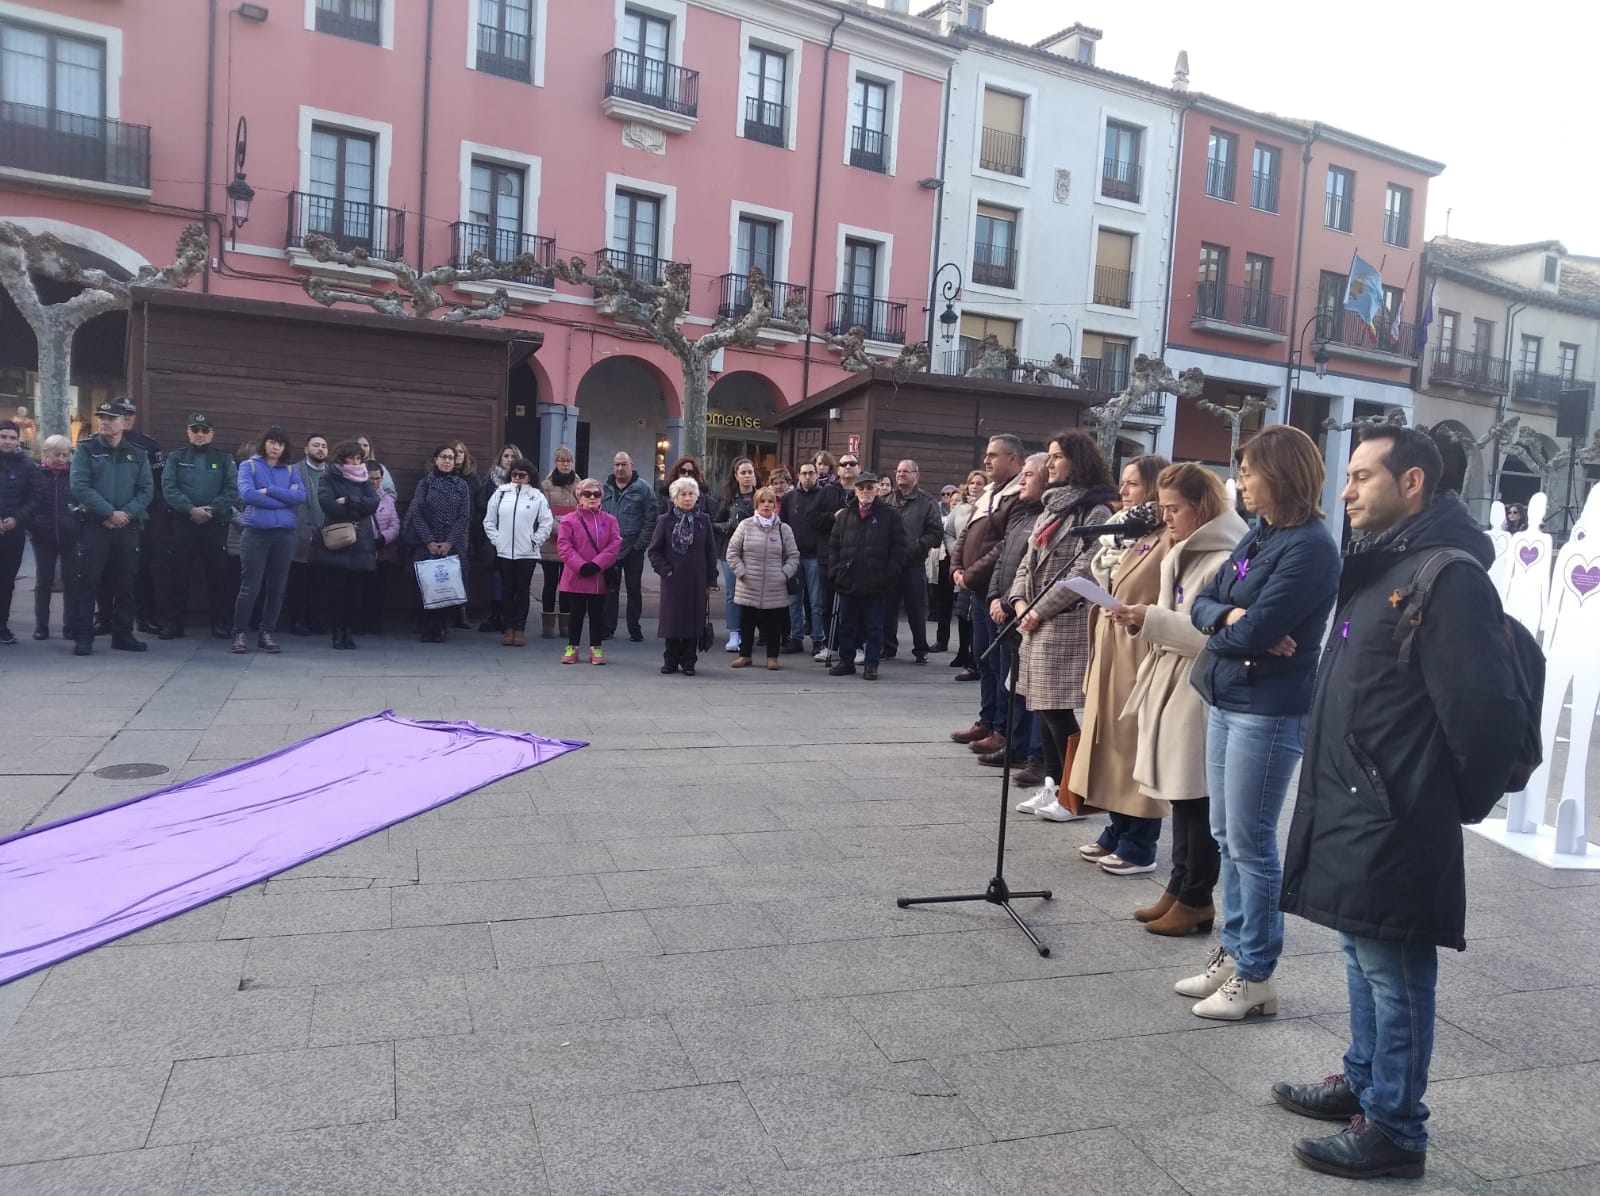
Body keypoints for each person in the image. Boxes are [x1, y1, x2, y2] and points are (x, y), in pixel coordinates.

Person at [1273, 427, 1524, 1180]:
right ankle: (1364, 1079)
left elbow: (1482, 714)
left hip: (1394, 808)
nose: (1343, 491)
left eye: (1360, 477)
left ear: (1412, 482)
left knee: (1395, 965)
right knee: (1361, 945)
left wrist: (1432, 799)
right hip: (1355, 797)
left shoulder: (1446, 576)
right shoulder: (1385, 563)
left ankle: (1395, 1127)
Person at [1181, 424, 1340, 1020]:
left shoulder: (1310, 548)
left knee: (1251, 842)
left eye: (1248, 470)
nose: (1239, 480)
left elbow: (1253, 630)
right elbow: (1198, 602)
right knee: (1228, 834)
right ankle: (1235, 950)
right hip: (1229, 695)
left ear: (1280, 473)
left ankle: (1256, 974)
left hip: (1268, 710)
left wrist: (1230, 623)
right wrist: (1229, 618)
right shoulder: (1260, 536)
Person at [1110, 463, 1246, 934]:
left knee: (1196, 796)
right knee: (1181, 794)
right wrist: (1143, 618)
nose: (1166, 517)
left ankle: (1196, 896)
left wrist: (1149, 619)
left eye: (1175, 508)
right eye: (1163, 508)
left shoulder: (1223, 553)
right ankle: (1179, 884)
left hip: (1198, 683)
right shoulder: (1184, 549)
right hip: (1174, 676)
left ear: (1202, 507)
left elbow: (1214, 634)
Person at [1006, 431, 1117, 824]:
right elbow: (1026, 562)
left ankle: (1073, 793)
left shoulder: (1096, 511)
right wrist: (1019, 602)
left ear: (1078, 461)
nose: (1050, 464)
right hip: (1034, 622)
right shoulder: (1051, 508)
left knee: (1056, 711)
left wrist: (1039, 609)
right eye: (1049, 457)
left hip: (1063, 623)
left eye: (1057, 457)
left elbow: (1085, 568)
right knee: (1040, 706)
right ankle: (1052, 785)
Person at [1069, 453, 1172, 868]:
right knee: (1109, 740)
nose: (1123, 493)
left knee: (1134, 743)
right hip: (1111, 643)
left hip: (1140, 647)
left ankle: (1141, 839)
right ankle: (1117, 825)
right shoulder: (1121, 537)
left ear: (1152, 487)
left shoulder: (1167, 537)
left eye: (1132, 484)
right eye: (1122, 483)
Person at [949, 436, 1025, 756]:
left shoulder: (1017, 495)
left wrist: (972, 574)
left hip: (996, 591)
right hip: (976, 589)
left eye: (994, 455)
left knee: (999, 661)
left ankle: (1001, 728)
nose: (986, 461)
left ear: (1014, 458)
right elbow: (965, 533)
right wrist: (956, 565)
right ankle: (987, 717)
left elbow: (1003, 547)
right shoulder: (990, 493)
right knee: (983, 656)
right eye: (986, 455)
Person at [69, 401, 154, 656]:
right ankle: (83, 636)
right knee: (89, 582)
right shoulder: (86, 449)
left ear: (124, 421)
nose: (105, 422)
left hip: (127, 526)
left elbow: (146, 489)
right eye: (102, 418)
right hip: (96, 525)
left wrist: (125, 514)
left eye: (111, 418)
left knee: (126, 581)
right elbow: (79, 486)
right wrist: (109, 512)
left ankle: (123, 634)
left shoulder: (138, 454)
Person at [985, 453, 1049, 790]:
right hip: (1006, 605)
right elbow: (1003, 559)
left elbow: (1031, 568)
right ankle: (1016, 743)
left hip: (1023, 613)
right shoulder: (1020, 515)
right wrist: (995, 595)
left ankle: (1035, 753)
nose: (1021, 481)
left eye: (1028, 475)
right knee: (1012, 685)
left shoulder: (1046, 517)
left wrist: (1013, 603)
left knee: (1032, 690)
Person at [160, 412, 237, 640]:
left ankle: (220, 624)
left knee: (218, 577)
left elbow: (231, 490)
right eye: (195, 430)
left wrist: (211, 509)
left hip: (215, 525)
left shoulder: (224, 458)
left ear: (212, 433)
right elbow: (169, 488)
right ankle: (174, 624)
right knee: (177, 575)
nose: (200, 434)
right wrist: (190, 509)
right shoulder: (176, 457)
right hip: (184, 524)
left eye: (205, 430)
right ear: (188, 432)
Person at [230, 426, 306, 654]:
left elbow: (300, 496)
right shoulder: (249, 465)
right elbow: (247, 494)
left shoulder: (291, 470)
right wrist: (284, 497)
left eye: (280, 444)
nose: (275, 447)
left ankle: (266, 632)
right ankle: (240, 632)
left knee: (277, 587)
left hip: (285, 534)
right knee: (250, 586)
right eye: (272, 442)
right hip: (256, 533)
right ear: (264, 443)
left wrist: (269, 490)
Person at [827, 472, 907, 681]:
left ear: (877, 490)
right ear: (855, 490)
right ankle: (846, 660)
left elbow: (899, 549)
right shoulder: (844, 516)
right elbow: (834, 545)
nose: (865, 492)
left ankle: (871, 664)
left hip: (876, 581)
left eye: (870, 488)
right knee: (847, 624)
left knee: (874, 627)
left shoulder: (890, 515)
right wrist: (835, 571)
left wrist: (889, 574)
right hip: (848, 578)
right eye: (861, 488)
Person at [310, 441, 380, 650]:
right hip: (339, 538)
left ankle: (349, 631)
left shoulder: (364, 478)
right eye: (351, 458)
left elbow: (373, 502)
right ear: (342, 458)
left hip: (361, 540)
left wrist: (348, 501)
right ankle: (337, 632)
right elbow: (328, 505)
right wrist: (358, 506)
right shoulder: (329, 476)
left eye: (359, 458)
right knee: (337, 591)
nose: (356, 462)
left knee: (354, 591)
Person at [648, 476, 717, 675]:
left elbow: (710, 551)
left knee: (693, 620)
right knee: (672, 620)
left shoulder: (703, 520)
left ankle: (689, 661)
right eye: (683, 495)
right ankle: (670, 659)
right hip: (673, 579)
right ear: (674, 498)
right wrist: (666, 570)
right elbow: (654, 551)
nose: (687, 498)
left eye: (691, 494)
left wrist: (711, 579)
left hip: (697, 579)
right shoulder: (665, 520)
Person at [403, 445, 472, 643]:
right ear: (435, 459)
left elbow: (464, 516)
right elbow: (416, 514)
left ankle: (442, 626)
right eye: (444, 457)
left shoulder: (461, 485)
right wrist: (430, 541)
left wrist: (449, 542)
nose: (448, 461)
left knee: (447, 584)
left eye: (451, 457)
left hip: (452, 543)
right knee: (425, 584)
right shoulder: (425, 484)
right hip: (427, 543)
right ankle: (427, 625)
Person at [726, 485, 800, 670]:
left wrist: (784, 574)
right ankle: (745, 655)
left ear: (775, 505)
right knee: (747, 622)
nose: (766, 505)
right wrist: (742, 572)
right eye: (762, 501)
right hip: (748, 584)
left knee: (774, 624)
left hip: (776, 586)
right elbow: (732, 552)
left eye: (770, 502)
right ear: (756, 504)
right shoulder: (745, 525)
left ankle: (772, 657)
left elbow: (793, 556)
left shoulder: (784, 529)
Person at [483, 457, 553, 647]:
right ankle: (508, 629)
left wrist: (535, 541)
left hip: (527, 553)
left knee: (522, 591)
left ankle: (520, 628)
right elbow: (489, 521)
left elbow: (547, 522)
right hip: (504, 552)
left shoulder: (537, 496)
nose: (517, 478)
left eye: (522, 475)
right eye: (514, 474)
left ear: (530, 477)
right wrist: (497, 541)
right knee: (506, 591)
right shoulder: (501, 493)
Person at [109, 397, 163, 635]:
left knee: (141, 570)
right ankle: (104, 617)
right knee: (104, 570)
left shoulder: (148, 445)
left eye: (131, 413)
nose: (128, 417)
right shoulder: (98, 443)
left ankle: (145, 617)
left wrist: (137, 512)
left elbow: (157, 485)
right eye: (123, 413)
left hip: (140, 519)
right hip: (106, 518)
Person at [882, 459, 942, 664]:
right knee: (887, 607)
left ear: (916, 475)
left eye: (906, 471)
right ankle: (888, 647)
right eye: (898, 471)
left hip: (914, 564)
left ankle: (920, 649)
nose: (901, 474)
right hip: (890, 564)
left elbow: (936, 533)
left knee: (916, 608)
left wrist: (917, 546)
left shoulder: (927, 501)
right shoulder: (886, 500)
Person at [556, 478, 620, 664]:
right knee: (575, 614)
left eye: (596, 494)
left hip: (598, 576)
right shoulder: (569, 520)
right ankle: (572, 647)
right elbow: (564, 546)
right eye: (587, 494)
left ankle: (596, 648)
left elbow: (615, 545)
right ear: (579, 496)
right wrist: (581, 565)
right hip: (576, 575)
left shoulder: (610, 520)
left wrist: (597, 564)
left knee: (597, 614)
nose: (592, 497)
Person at [601, 450, 656, 642]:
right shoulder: (604, 488)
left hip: (633, 548)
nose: (620, 468)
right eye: (616, 464)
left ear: (631, 465)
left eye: (624, 464)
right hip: (609, 549)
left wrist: (640, 545)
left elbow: (651, 519)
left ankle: (634, 628)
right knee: (610, 589)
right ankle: (608, 628)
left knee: (634, 590)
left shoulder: (644, 489)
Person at [29, 434, 78, 640]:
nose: (61, 459)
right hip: (43, 536)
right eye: (56, 454)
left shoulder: (75, 475)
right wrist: (34, 526)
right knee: (44, 581)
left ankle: (70, 625)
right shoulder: (36, 475)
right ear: (45, 453)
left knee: (72, 581)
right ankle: (41, 626)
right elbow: (29, 502)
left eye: (65, 455)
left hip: (71, 536)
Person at [780, 459, 831, 655]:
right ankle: (796, 637)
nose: (808, 477)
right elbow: (783, 526)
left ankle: (818, 639)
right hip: (793, 556)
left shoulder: (824, 496)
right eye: (804, 473)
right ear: (798, 476)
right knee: (794, 600)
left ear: (816, 475)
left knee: (816, 601)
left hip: (815, 556)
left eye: (811, 473)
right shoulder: (790, 498)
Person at [476, 444, 525, 633]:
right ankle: (496, 614)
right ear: (500, 459)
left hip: (517, 537)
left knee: (513, 578)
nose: (509, 459)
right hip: (495, 536)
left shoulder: (525, 482)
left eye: (513, 456)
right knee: (497, 577)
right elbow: (480, 505)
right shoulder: (490, 481)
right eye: (506, 455)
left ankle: (511, 617)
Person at [713, 457, 759, 652]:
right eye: (743, 473)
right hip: (731, 551)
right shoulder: (728, 499)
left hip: (755, 551)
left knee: (752, 594)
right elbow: (715, 523)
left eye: (750, 472)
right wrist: (731, 526)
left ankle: (751, 632)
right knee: (733, 594)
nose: (747, 476)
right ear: (736, 476)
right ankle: (734, 632)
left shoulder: (761, 496)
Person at [287, 433, 329, 635]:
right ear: (306, 449)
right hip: (300, 533)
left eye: (323, 446)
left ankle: (318, 620)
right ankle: (297, 621)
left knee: (321, 580)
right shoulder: (293, 471)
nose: (320, 449)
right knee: (298, 580)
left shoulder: (332, 473)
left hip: (326, 535)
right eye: (316, 445)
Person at [944, 470, 986, 673]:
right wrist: (957, 555)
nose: (975, 486)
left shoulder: (987, 507)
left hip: (979, 566)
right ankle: (962, 651)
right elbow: (950, 533)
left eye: (979, 483)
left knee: (975, 614)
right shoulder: (959, 509)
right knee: (962, 613)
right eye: (972, 483)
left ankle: (974, 655)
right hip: (961, 565)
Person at [0, 419, 35, 645]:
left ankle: (2, 625)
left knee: (6, 581)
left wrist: (16, 519)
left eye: (12, 437)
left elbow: (34, 499)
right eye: (3, 436)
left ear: (18, 439)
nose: (7, 441)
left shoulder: (27, 465)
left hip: (13, 532)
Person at [539, 446, 580, 638]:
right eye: (561, 460)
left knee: (567, 584)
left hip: (571, 545)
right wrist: (560, 530)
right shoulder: (546, 485)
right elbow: (544, 513)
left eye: (568, 461)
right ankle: (548, 625)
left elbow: (582, 510)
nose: (565, 464)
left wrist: (569, 532)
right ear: (555, 462)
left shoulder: (579, 484)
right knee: (550, 583)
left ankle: (565, 625)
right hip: (551, 541)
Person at [363, 459, 400, 634]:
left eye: (378, 478)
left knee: (379, 589)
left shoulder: (387, 499)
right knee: (361, 588)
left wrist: (383, 539)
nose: (375, 482)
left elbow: (395, 524)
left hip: (381, 549)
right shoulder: (359, 496)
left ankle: (375, 622)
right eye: (372, 478)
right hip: (362, 549)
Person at [930, 482, 960, 652]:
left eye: (955, 498)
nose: (951, 500)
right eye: (948, 496)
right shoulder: (940, 515)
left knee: (961, 606)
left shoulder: (966, 516)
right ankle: (942, 640)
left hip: (962, 561)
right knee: (944, 602)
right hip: (944, 560)